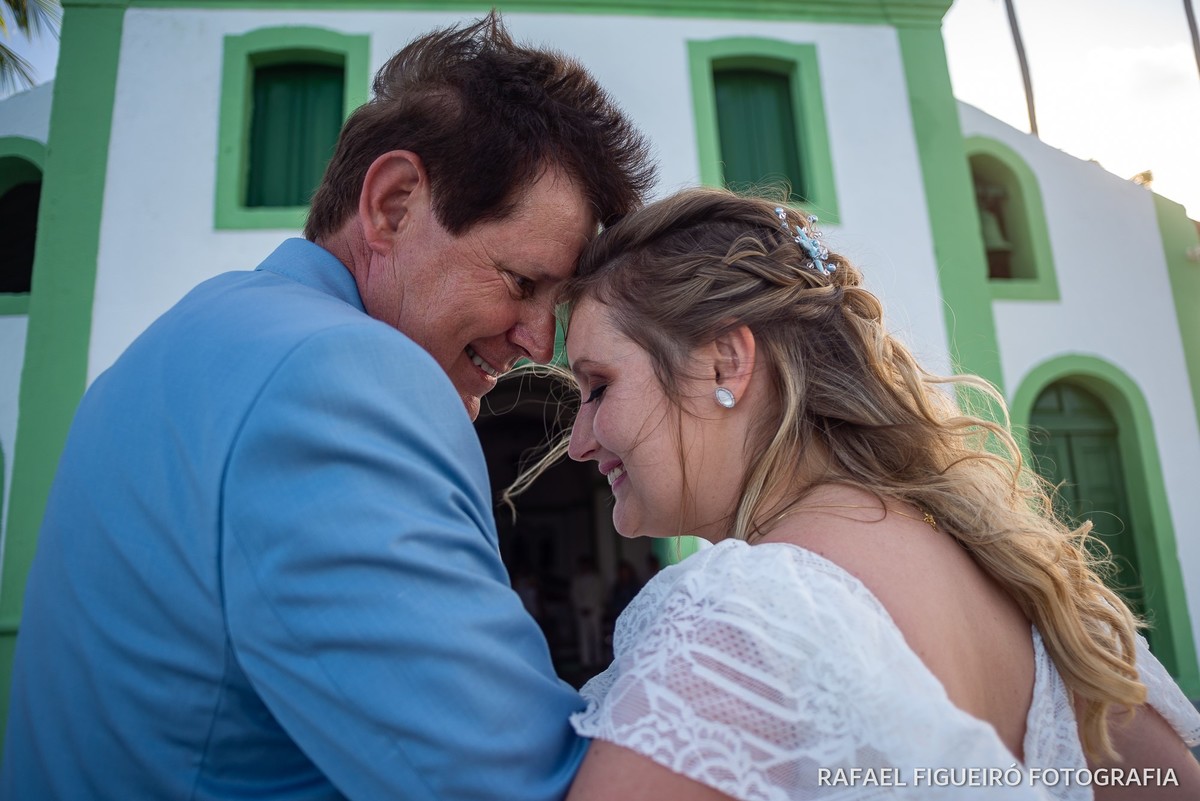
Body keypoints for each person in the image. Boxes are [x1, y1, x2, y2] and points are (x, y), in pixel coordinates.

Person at [1, 13, 654, 801]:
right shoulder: (347, 378)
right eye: (521, 282)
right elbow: (516, 785)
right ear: (394, 203)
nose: (539, 342)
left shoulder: (168, 348)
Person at [514, 187, 1200, 800]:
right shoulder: (1024, 589)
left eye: (599, 387)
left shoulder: (753, 613)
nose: (579, 442)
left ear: (726, 363)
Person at [570, 556, 606, 669]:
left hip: (595, 611)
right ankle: (586, 661)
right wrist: (581, 607)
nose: (584, 567)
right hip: (582, 612)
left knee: (596, 635)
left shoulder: (597, 579)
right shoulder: (577, 580)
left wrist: (591, 607)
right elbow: (574, 595)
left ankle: (598, 660)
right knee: (583, 637)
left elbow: (599, 594)